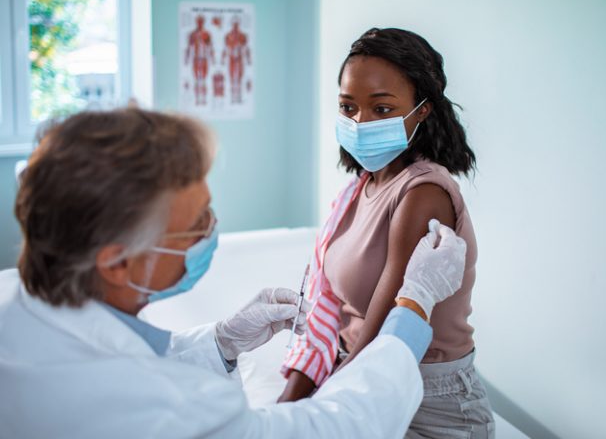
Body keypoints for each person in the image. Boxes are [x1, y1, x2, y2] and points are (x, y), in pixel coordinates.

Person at [0, 107, 468, 438]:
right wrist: (413, 305)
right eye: (197, 221)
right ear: (118, 262)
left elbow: (110, 368)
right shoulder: (170, 407)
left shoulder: (23, 321)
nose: (213, 228)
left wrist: (221, 342)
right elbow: (338, 427)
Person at [279, 28, 495, 438]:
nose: (360, 122)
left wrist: (325, 409)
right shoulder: (361, 186)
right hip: (361, 374)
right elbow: (330, 311)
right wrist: (282, 412)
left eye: (381, 109)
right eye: (348, 107)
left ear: (422, 111)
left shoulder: (423, 193)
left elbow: (378, 339)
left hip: (428, 401)